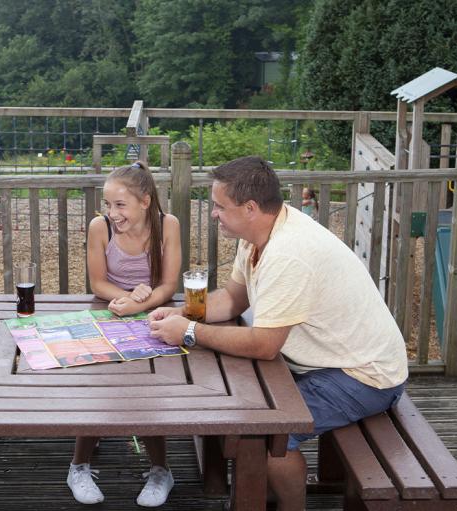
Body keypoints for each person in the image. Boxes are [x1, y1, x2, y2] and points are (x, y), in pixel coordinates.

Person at [148, 156, 407, 511]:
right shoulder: (256, 235)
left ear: (251, 208)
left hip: (364, 376)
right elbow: (232, 300)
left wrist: (189, 331)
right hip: (327, 362)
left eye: (220, 206)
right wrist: (180, 313)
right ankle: (260, 490)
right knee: (244, 406)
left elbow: (265, 345)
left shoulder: (289, 254)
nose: (213, 214)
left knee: (266, 434)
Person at [67, 161, 181, 507]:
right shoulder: (100, 227)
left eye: (120, 205)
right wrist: (128, 299)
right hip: (110, 311)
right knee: (100, 385)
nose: (112, 213)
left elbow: (169, 284)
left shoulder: (168, 225)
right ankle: (78, 464)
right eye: (108, 204)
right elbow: (97, 282)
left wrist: (143, 303)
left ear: (145, 202)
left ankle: (161, 468)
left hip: (158, 314)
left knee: (150, 390)